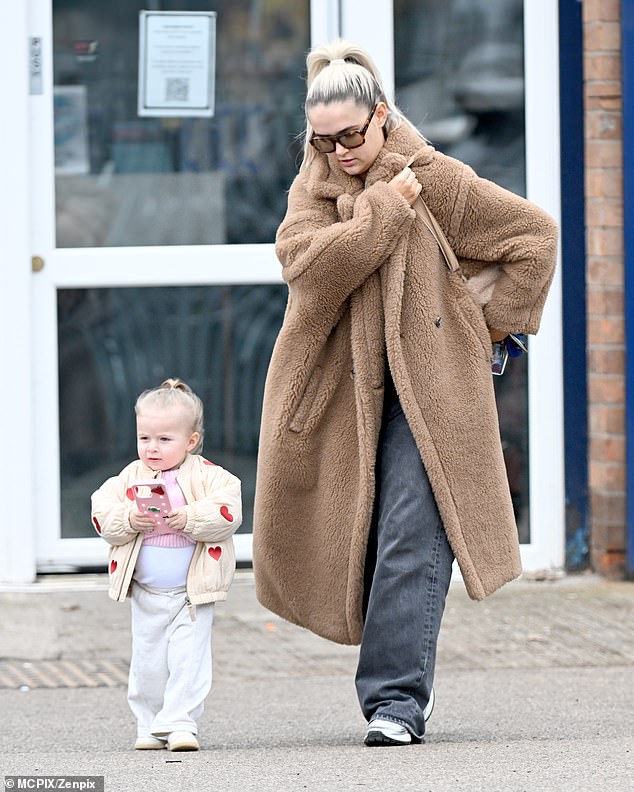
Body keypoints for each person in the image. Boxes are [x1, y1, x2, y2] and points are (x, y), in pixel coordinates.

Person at [252, 40, 558, 747]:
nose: (338, 153)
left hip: (432, 394)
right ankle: (390, 687)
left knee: (412, 539)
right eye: (323, 141)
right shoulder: (314, 190)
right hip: (337, 396)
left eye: (350, 136)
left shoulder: (435, 178)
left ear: (382, 117)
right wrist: (385, 210)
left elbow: (534, 238)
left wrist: (485, 326)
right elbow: (311, 268)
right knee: (349, 535)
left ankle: (395, 703)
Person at [91, 378, 242, 752]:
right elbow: (102, 511)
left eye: (164, 439)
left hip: (192, 593)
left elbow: (228, 511)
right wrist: (128, 519)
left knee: (188, 660)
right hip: (147, 592)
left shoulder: (209, 476)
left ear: (190, 442)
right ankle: (148, 723)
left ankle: (179, 724)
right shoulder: (129, 477)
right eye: (145, 438)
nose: (152, 448)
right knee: (148, 662)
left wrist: (189, 518)